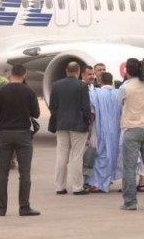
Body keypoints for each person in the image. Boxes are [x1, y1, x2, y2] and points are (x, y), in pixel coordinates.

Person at [0, 64, 40, 216]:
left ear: (11, 74)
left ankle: (1, 208)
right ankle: (24, 207)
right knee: (24, 172)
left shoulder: (1, 91)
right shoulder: (29, 91)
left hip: (5, 133)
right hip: (23, 134)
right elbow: (36, 113)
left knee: (3, 172)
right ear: (24, 75)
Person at [118, 58, 144, 210]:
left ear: (126, 71)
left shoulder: (125, 87)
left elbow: (119, 104)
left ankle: (130, 202)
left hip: (131, 128)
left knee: (129, 168)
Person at [50, 62, 91, 195]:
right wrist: (87, 123)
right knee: (77, 156)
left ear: (66, 71)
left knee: (61, 155)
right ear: (78, 71)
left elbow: (53, 106)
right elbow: (86, 107)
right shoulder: (82, 86)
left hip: (61, 124)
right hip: (78, 125)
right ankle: (77, 187)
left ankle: (59, 186)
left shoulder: (56, 85)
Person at [86, 72, 122, 193]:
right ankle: (107, 180)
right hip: (115, 129)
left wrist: (90, 129)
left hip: (99, 127)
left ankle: (98, 183)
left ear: (100, 81)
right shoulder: (118, 94)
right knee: (111, 154)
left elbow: (92, 113)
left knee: (99, 154)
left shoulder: (95, 94)